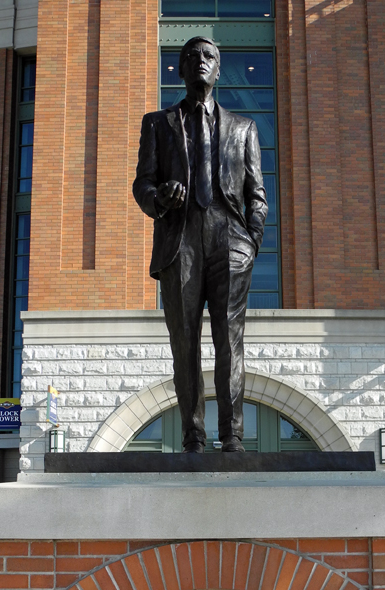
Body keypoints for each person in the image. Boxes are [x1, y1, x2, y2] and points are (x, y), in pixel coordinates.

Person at [133, 37, 268, 452]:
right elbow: (142, 183)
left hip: (230, 237)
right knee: (185, 340)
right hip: (181, 237)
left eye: (208, 56)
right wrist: (159, 198)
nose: (200, 62)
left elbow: (256, 194)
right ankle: (193, 435)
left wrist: (252, 240)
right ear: (180, 69)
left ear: (218, 67)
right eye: (191, 56)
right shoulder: (158, 123)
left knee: (230, 339)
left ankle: (232, 436)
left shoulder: (243, 128)